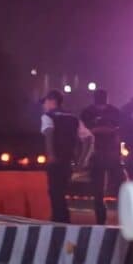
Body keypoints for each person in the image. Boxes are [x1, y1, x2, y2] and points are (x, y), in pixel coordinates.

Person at [41, 90, 92, 224]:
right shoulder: (73, 117)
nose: (44, 105)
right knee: (61, 192)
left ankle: (59, 223)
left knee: (54, 192)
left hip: (56, 160)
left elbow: (49, 133)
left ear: (52, 101)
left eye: (45, 101)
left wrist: (51, 154)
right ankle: (63, 221)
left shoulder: (48, 116)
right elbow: (88, 138)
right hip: (68, 160)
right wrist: (82, 160)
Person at [80, 89, 125, 225]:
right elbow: (85, 133)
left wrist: (97, 130)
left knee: (106, 189)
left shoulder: (89, 112)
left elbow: (86, 133)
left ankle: (107, 218)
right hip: (100, 153)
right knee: (101, 189)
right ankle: (107, 218)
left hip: (106, 153)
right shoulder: (111, 112)